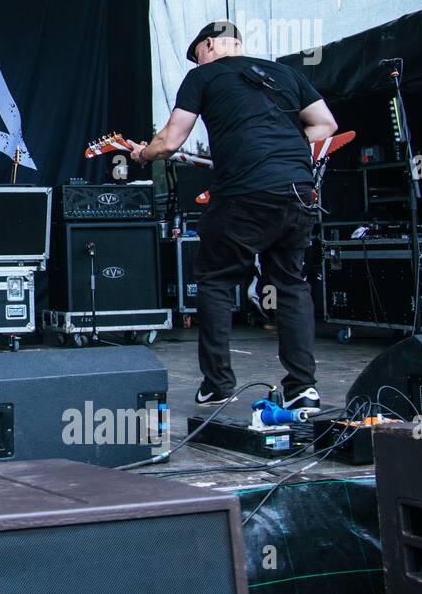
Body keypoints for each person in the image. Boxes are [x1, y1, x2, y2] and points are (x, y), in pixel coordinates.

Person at [128, 21, 337, 412]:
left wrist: (144, 153)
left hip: (245, 191)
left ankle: (218, 384)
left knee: (217, 280)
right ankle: (302, 388)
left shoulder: (202, 76)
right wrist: (285, 143)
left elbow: (171, 140)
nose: (198, 59)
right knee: (290, 284)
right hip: (297, 189)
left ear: (208, 45)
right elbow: (327, 124)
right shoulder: (284, 73)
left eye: (197, 53)